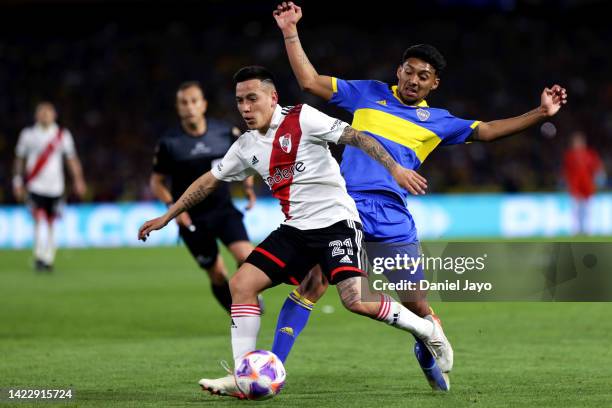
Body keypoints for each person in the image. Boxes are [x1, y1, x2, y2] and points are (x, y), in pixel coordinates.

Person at [272, 1, 568, 390]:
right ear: (398, 71)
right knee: (313, 281)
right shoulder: (365, 93)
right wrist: (290, 30)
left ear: (434, 84)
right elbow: (309, 80)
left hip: (393, 216)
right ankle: (272, 368)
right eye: (409, 71)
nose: (414, 79)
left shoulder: (440, 121)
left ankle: (426, 341)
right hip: (345, 208)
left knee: (416, 304)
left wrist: (541, 113)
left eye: (423, 76)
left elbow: (490, 130)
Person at [138, 66, 445, 399]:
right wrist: (168, 215)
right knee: (241, 284)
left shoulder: (303, 118)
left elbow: (356, 136)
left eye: (252, 99)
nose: (244, 108)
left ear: (273, 98)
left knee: (355, 300)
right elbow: (208, 181)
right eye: (240, 101)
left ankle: (426, 329)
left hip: (336, 222)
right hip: (296, 229)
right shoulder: (245, 146)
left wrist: (395, 168)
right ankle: (245, 374)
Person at [150, 81, 256, 312]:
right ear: (178, 108)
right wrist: (173, 209)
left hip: (223, 210)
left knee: (249, 258)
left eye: (194, 101)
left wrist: (248, 188)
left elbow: (248, 159)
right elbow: (156, 182)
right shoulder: (169, 143)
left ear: (204, 105)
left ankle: (244, 296)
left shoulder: (225, 133)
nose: (189, 107)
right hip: (192, 218)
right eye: (183, 103)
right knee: (217, 274)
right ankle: (236, 312)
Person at [12, 102, 87, 272]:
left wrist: (78, 180)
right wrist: (17, 181)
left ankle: (49, 257)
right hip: (35, 186)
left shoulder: (62, 135)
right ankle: (39, 255)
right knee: (38, 220)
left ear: (55, 115)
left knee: (52, 222)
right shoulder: (28, 134)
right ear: (36, 115)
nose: (45, 115)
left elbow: (71, 159)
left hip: (56, 187)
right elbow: (19, 159)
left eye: (48, 112)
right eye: (42, 112)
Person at [562, 130, 605, 235]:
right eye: (576, 142)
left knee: (588, 210)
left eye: (579, 141)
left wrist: (599, 179)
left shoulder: (590, 154)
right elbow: (566, 171)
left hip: (587, 186)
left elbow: (597, 168)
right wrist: (566, 184)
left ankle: (588, 230)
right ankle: (575, 231)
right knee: (575, 210)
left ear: (583, 142)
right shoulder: (569, 155)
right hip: (575, 186)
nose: (578, 144)